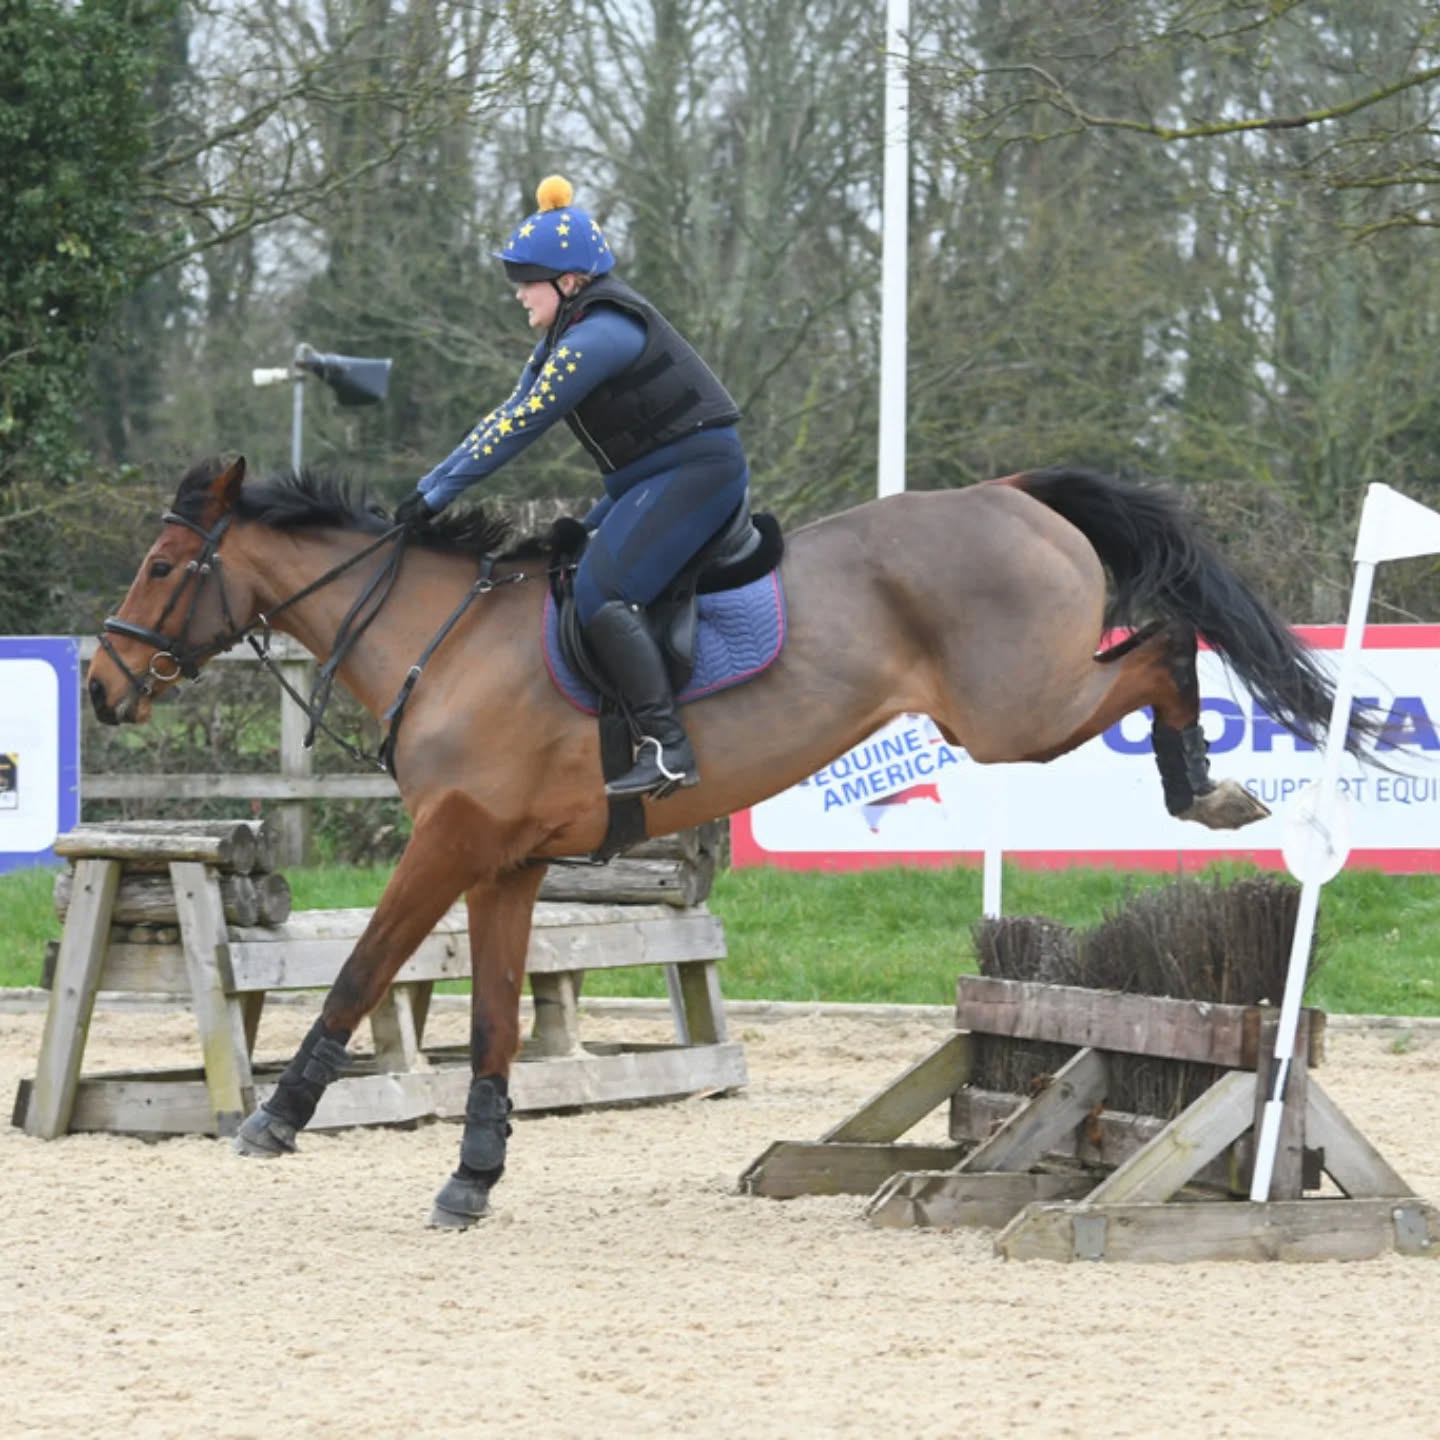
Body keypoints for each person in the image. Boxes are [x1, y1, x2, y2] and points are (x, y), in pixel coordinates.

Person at [396, 174, 748, 799]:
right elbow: (503, 413)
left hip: (697, 472)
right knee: (563, 566)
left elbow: (520, 427)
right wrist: (428, 487)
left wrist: (431, 500)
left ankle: (668, 747)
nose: (519, 296)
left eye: (526, 283)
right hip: (649, 475)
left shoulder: (600, 336)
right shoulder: (566, 332)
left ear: (567, 281)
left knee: (601, 589)